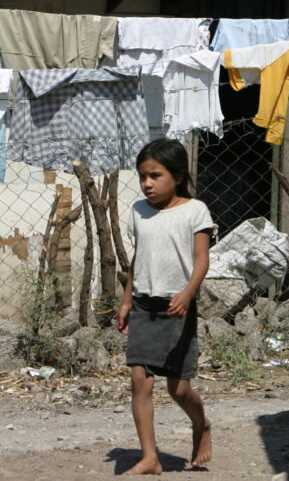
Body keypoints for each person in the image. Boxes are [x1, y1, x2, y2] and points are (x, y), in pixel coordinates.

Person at [117, 138, 214, 475]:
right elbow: (138, 259)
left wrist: (188, 293)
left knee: (179, 389)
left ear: (177, 175)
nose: (147, 184)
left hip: (177, 307)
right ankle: (150, 457)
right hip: (144, 305)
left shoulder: (195, 210)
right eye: (142, 176)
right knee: (139, 380)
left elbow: (202, 260)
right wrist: (127, 299)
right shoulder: (138, 211)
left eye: (155, 176)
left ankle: (201, 425)